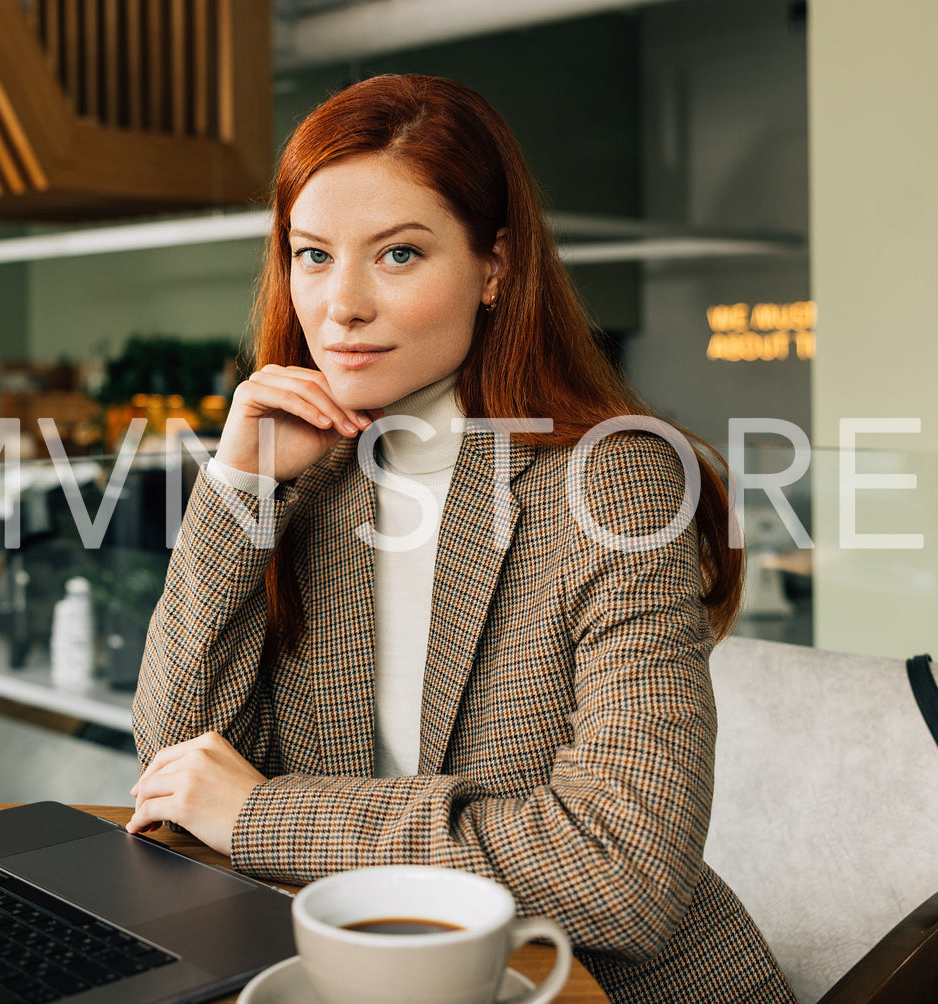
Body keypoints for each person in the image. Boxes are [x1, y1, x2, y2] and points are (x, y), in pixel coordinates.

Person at [127, 74, 794, 1002]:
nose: (340, 306)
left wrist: (263, 814)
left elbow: (623, 873)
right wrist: (236, 491)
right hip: (371, 971)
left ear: (494, 267)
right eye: (312, 255)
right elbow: (172, 764)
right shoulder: (314, 478)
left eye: (397, 255)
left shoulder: (614, 485)